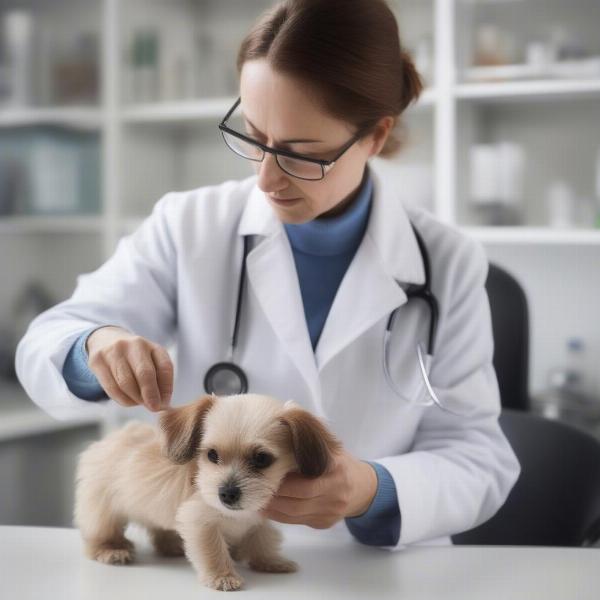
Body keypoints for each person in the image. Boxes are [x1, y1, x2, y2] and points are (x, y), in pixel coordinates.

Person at [15, 0, 519, 550]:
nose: (266, 178)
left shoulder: (447, 262)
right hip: (212, 556)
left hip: (374, 570)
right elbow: (46, 340)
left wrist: (370, 490)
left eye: (302, 154)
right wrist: (95, 347)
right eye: (254, 137)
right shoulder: (190, 225)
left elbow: (479, 459)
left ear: (376, 136)